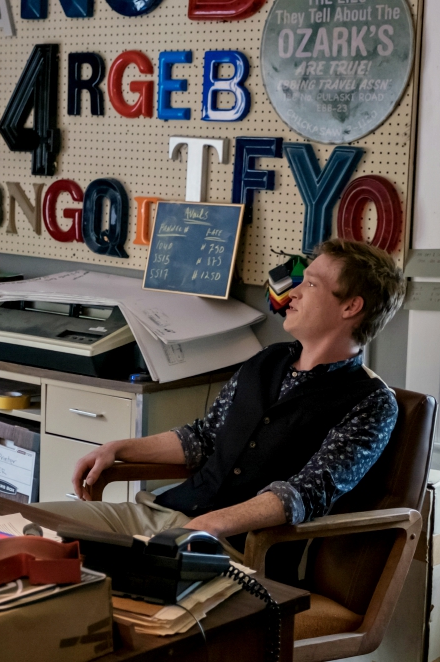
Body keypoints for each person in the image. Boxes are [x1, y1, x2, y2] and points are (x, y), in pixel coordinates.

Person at [37, 239, 407, 564]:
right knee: (28, 529)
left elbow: (306, 493)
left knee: (82, 578)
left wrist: (206, 527)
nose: (292, 293)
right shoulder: (267, 359)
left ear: (351, 306)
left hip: (234, 550)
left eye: (310, 284)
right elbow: (205, 437)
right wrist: (119, 448)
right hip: (160, 514)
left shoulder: (372, 403)